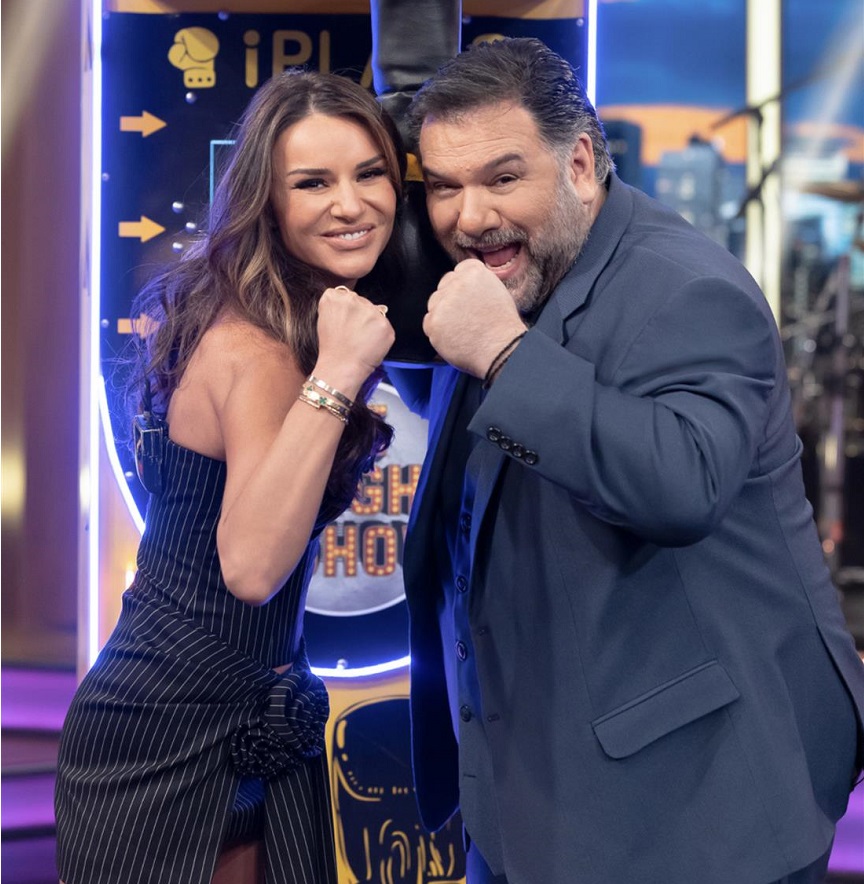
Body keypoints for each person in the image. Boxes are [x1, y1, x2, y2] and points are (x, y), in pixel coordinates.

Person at [387, 37, 864, 884]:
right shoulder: (509, 279)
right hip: (532, 800)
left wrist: (503, 355)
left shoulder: (686, 289)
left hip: (697, 812)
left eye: (503, 178)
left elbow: (682, 486)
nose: (469, 216)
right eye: (446, 187)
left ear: (579, 164)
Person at [55, 69, 405, 884]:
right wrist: (340, 372)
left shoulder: (282, 316)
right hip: (164, 731)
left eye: (370, 173)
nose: (350, 204)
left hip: (244, 713)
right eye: (312, 183)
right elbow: (250, 568)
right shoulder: (259, 347)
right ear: (267, 202)